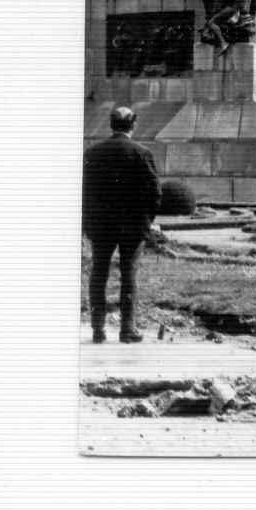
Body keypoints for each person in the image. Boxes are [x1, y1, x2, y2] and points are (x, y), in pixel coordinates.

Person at [82, 106, 161, 343]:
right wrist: (147, 221)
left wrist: (87, 222)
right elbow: (155, 193)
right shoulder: (142, 152)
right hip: (132, 226)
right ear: (133, 125)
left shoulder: (93, 152)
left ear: (111, 125)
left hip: (101, 225)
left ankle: (97, 328)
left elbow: (83, 191)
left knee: (98, 274)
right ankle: (128, 329)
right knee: (129, 275)